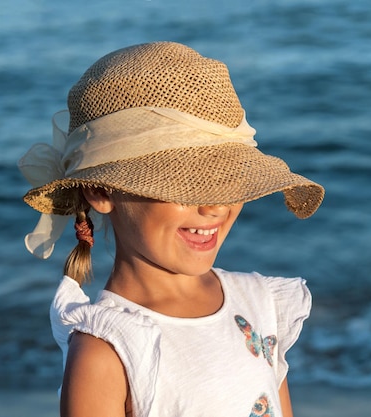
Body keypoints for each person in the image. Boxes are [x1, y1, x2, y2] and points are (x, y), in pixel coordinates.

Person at [18, 41, 324, 417]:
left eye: (228, 179)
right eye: (184, 185)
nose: (215, 206)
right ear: (99, 190)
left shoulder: (260, 305)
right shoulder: (108, 349)